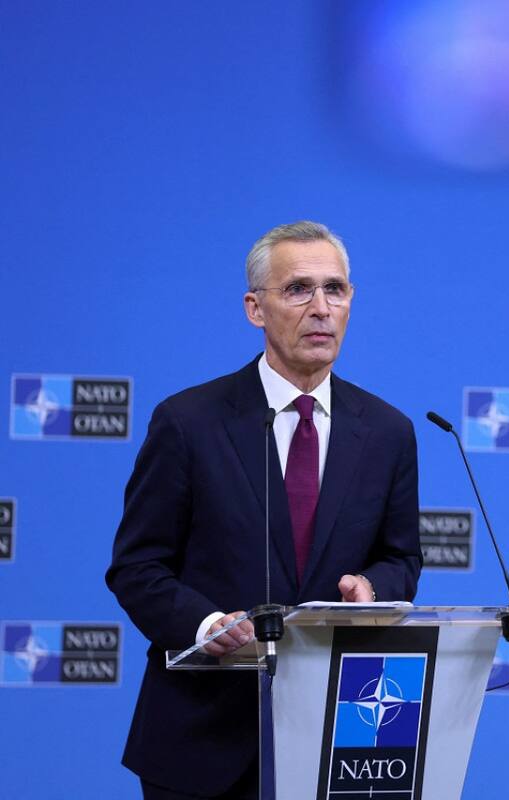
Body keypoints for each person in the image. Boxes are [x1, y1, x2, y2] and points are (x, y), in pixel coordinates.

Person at [106, 221, 422, 800]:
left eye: (336, 289)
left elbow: (401, 557)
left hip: (342, 736)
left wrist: (373, 588)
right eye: (299, 289)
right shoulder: (188, 422)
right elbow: (137, 567)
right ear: (255, 308)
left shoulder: (388, 432)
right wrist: (205, 627)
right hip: (203, 742)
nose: (322, 308)